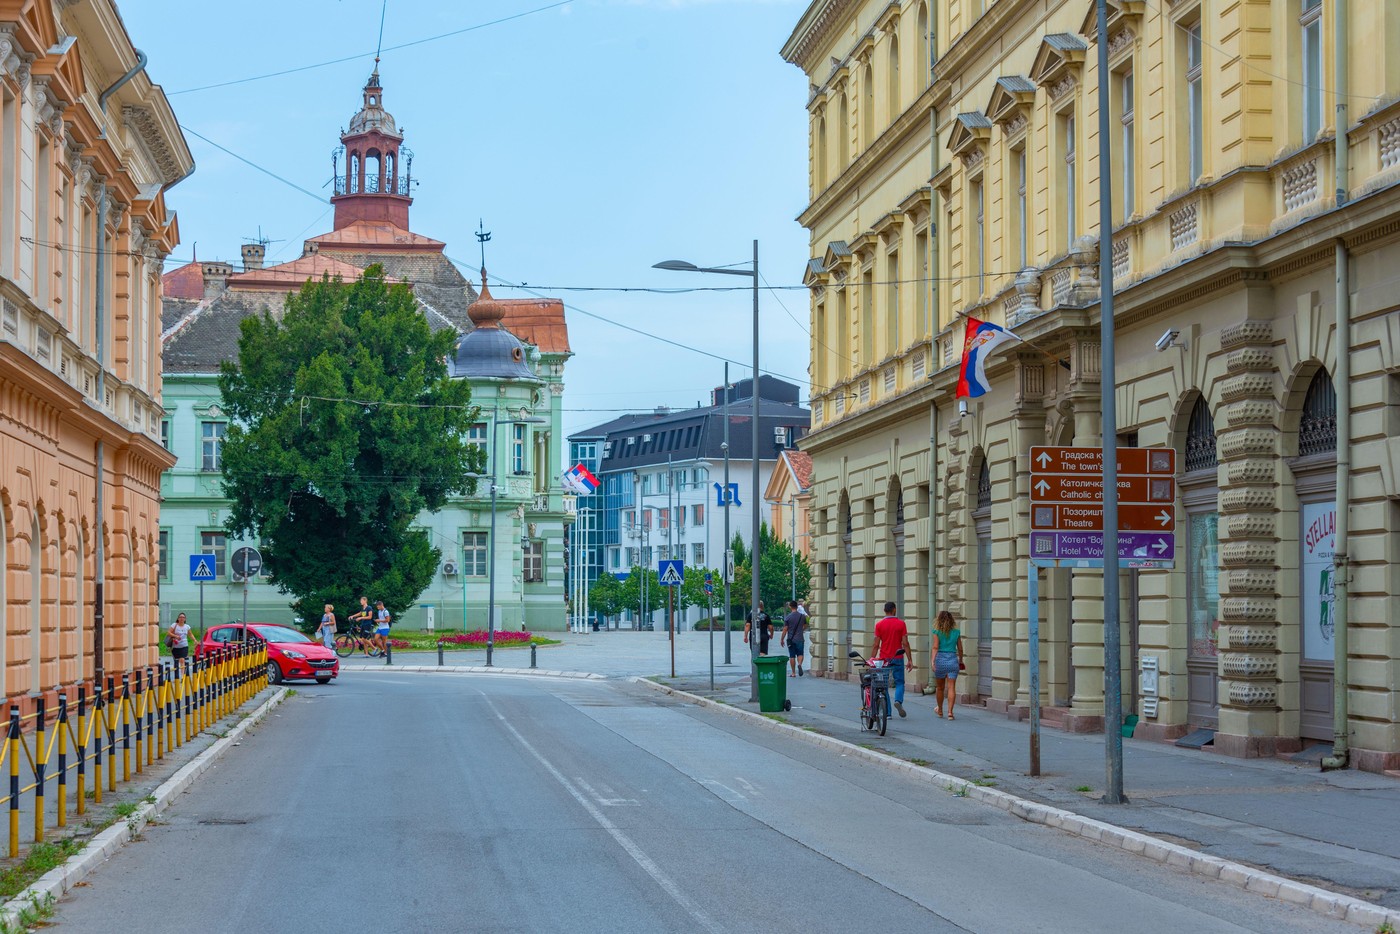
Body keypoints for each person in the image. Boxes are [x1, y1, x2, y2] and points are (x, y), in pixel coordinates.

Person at [871, 601, 914, 718]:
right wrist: (910, 659)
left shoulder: (879, 625)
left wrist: (872, 659)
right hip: (898, 657)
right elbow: (905, 643)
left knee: (883, 685)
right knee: (899, 682)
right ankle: (898, 701)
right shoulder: (901, 624)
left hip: (884, 659)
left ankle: (888, 713)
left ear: (884, 611)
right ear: (894, 609)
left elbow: (876, 645)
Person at [931, 609, 966, 719]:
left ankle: (940, 710)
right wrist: (960, 660)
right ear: (951, 620)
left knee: (940, 687)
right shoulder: (956, 632)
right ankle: (950, 712)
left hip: (940, 660)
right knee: (951, 687)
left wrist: (933, 661)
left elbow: (935, 647)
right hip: (952, 660)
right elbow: (960, 649)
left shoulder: (936, 632)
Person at [781, 600, 807, 677]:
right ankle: (799, 664)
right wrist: (801, 629)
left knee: (792, 656)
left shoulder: (788, 617)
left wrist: (782, 639)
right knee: (800, 653)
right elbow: (805, 625)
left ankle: (793, 673)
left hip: (791, 639)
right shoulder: (802, 616)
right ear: (797, 606)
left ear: (790, 607)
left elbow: (785, 629)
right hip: (800, 638)